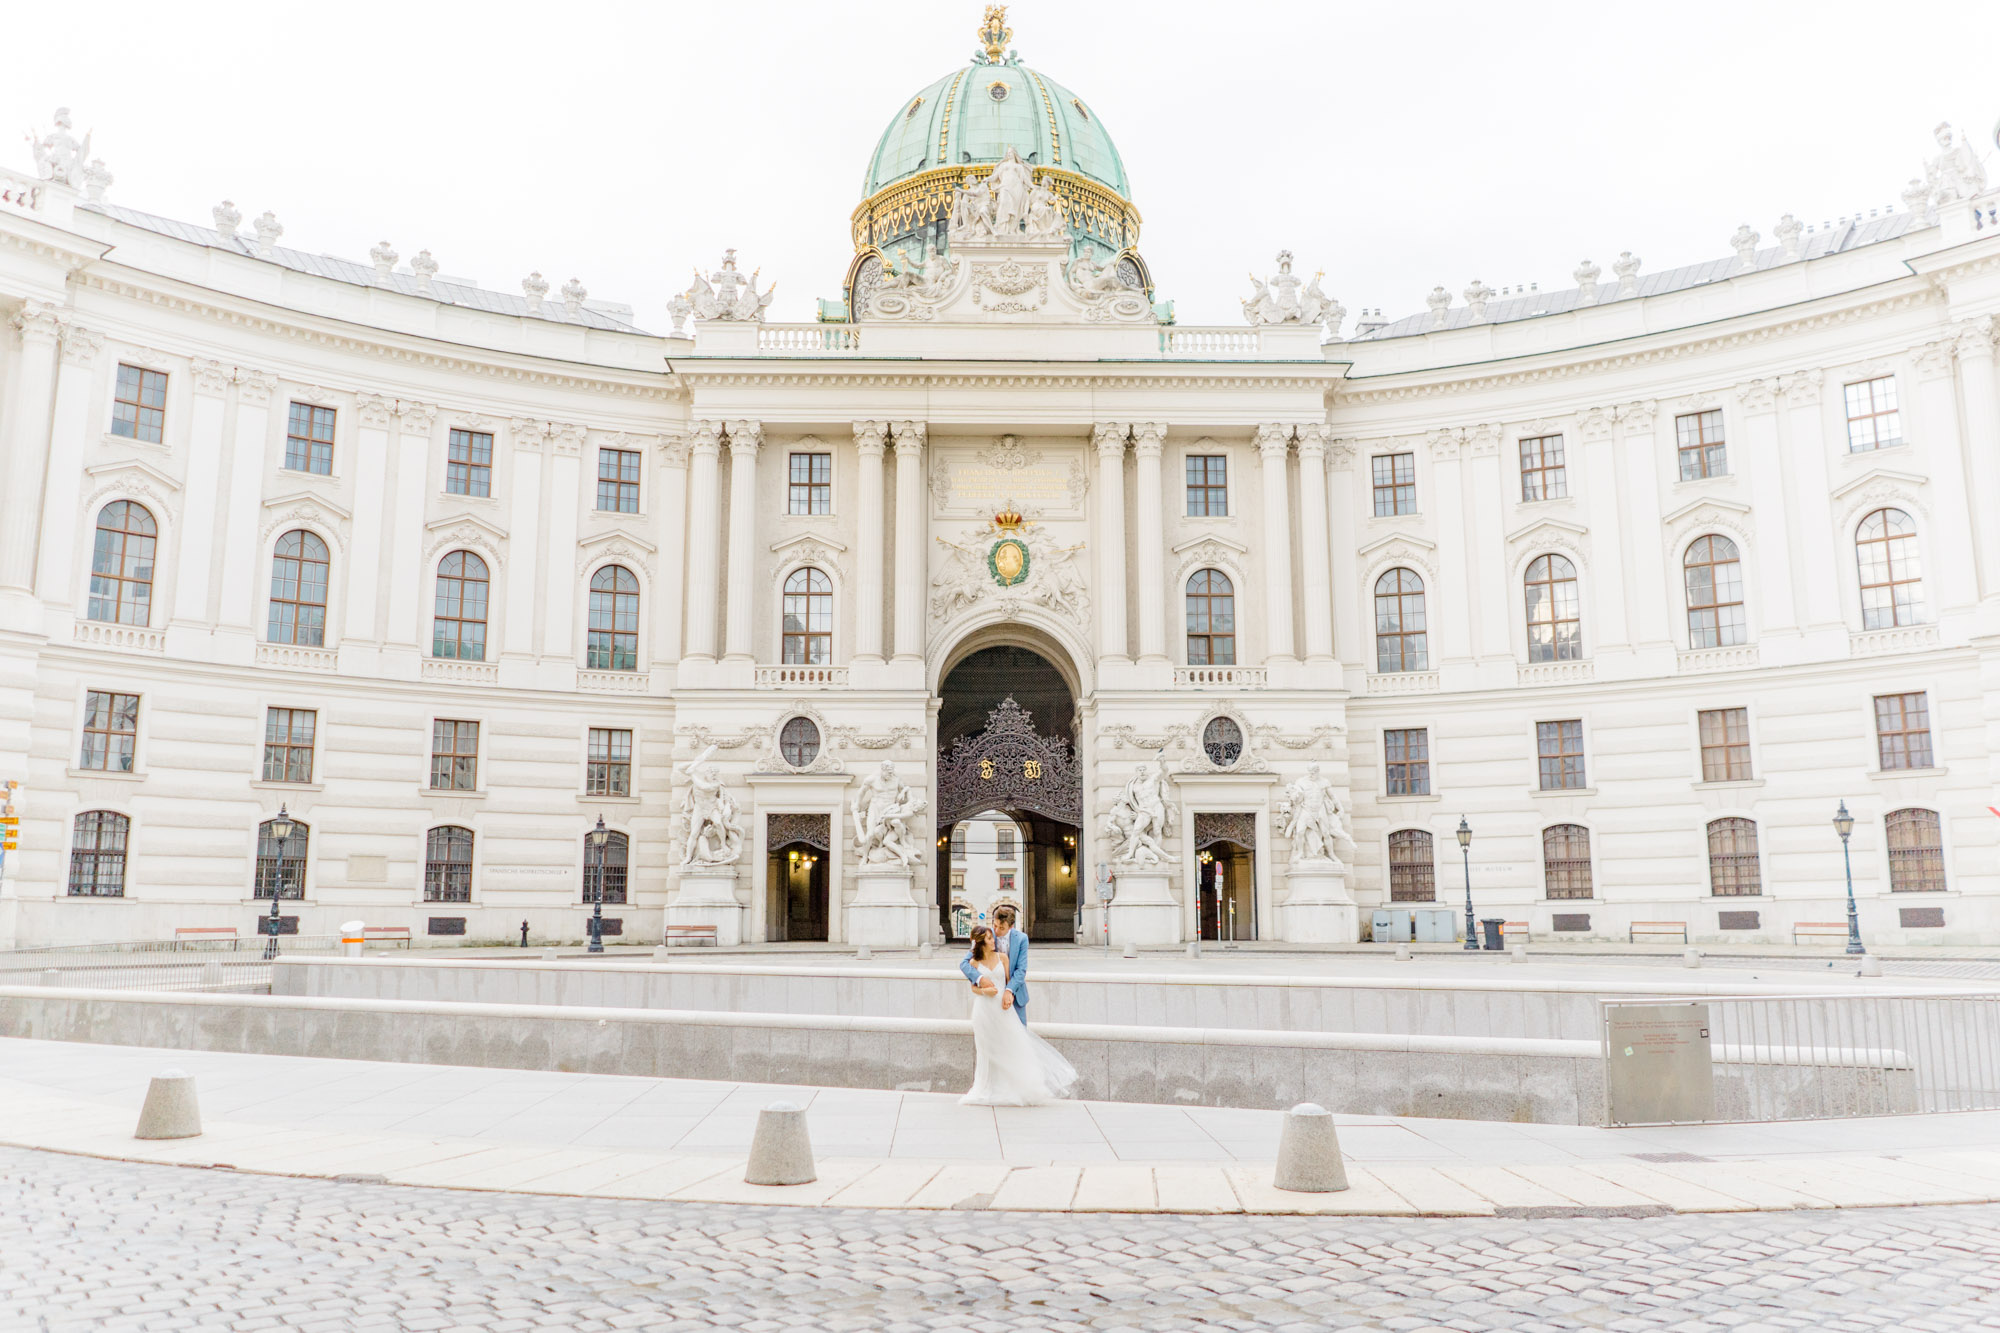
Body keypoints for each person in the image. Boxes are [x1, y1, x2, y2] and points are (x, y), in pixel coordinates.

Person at [958, 924, 1078, 1106]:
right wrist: (984, 991)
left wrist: (1008, 994)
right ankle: (986, 1087)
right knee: (986, 1050)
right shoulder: (974, 963)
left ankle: (1012, 1087)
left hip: (1002, 1009)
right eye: (989, 938)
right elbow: (973, 987)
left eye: (993, 937)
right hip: (983, 1010)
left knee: (1011, 1044)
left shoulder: (1003, 958)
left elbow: (1008, 981)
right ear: (981, 942)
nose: (994, 940)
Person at [960, 903, 1029, 1023]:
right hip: (990, 998)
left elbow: (1021, 970)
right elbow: (964, 964)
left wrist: (1009, 990)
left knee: (1019, 1034)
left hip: (1015, 995)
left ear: (1011, 926)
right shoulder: (986, 935)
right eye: (995, 925)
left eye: (1001, 928)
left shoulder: (1022, 939)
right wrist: (980, 979)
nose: (996, 931)